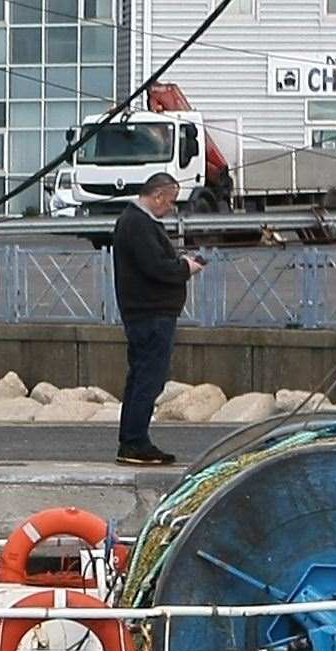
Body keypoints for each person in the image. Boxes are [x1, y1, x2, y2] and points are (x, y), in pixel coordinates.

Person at [111, 170, 204, 466]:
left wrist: (178, 263)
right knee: (148, 379)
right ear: (158, 195)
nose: (172, 208)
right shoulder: (137, 224)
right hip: (150, 314)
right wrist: (185, 268)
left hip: (146, 313)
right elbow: (156, 268)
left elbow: (154, 262)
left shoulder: (137, 222)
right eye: (172, 201)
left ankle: (133, 439)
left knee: (142, 377)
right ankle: (135, 442)